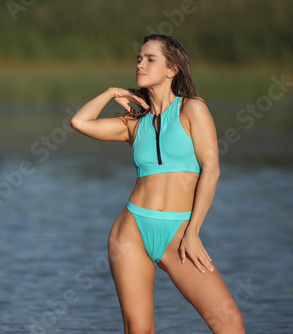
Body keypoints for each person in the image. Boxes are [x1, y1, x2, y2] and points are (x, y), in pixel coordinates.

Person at [71, 34, 245, 334]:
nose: (141, 63)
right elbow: (80, 122)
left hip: (178, 233)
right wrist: (112, 92)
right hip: (131, 231)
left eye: (150, 59)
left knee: (228, 321)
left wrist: (193, 232)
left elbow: (212, 169)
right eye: (139, 58)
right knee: (138, 329)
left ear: (171, 69)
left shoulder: (192, 109)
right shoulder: (133, 124)